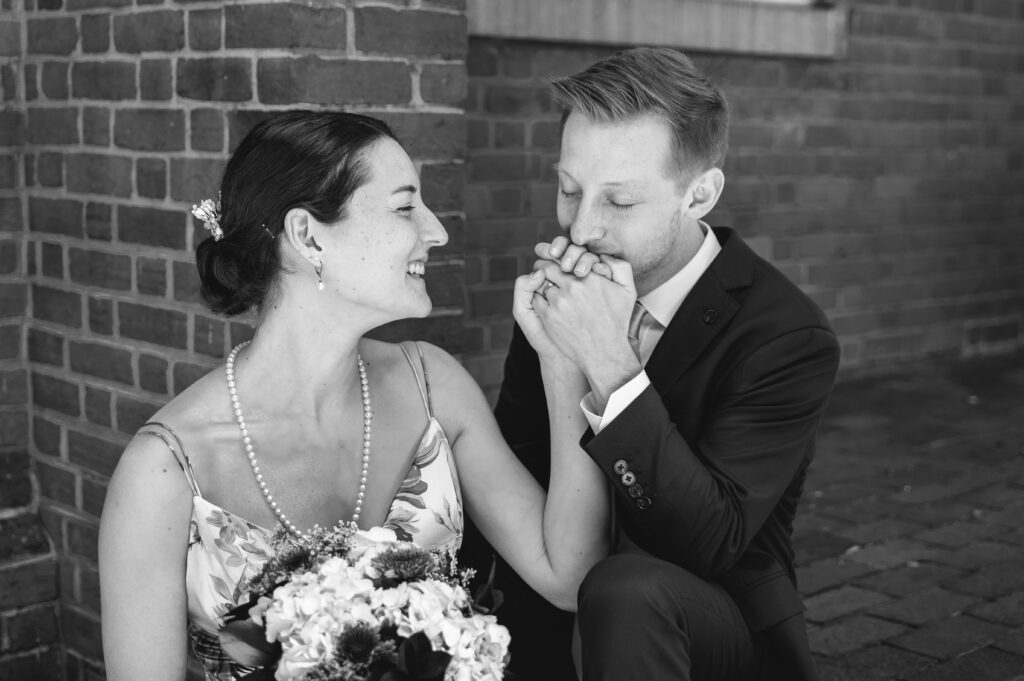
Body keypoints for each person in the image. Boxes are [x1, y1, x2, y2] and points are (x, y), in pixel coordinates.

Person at [98, 110, 610, 681]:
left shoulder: (435, 387)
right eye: (404, 206)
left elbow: (570, 577)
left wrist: (563, 362)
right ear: (308, 236)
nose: (436, 230)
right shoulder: (164, 471)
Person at [461, 47, 841, 681]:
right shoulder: (567, 294)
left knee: (626, 588)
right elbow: (519, 471)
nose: (581, 229)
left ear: (699, 196)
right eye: (569, 189)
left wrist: (606, 361)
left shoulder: (786, 335)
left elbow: (710, 542)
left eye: (620, 202)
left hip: (712, 625)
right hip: (561, 607)